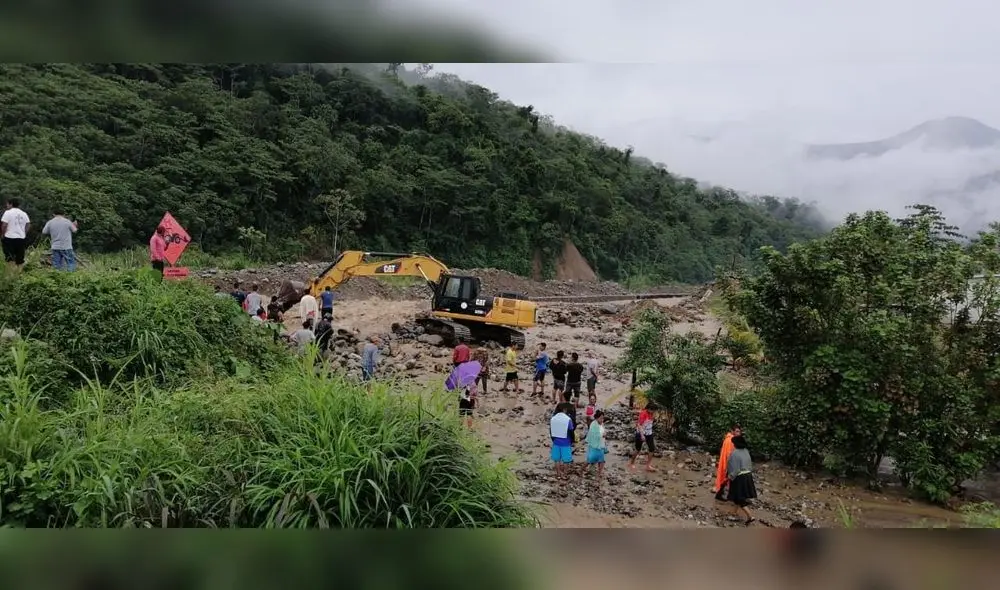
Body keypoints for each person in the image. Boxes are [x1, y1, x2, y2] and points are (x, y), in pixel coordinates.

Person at [726, 435, 758, 526]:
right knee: (738, 496)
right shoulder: (746, 451)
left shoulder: (734, 453)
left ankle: (750, 516)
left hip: (739, 477)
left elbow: (735, 469)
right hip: (748, 476)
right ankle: (733, 513)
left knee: (739, 498)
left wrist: (730, 477)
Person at [713, 424, 742, 500]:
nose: (739, 433)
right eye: (737, 431)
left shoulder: (728, 438)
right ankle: (723, 494)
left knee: (727, 479)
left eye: (739, 431)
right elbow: (729, 454)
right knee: (729, 479)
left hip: (727, 463)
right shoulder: (731, 440)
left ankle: (722, 494)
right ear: (732, 431)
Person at [628, 401, 657, 472]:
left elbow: (651, 422)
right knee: (638, 449)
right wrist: (642, 435)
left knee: (652, 449)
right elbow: (639, 425)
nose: (654, 412)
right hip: (641, 433)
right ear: (649, 409)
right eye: (653, 410)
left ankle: (648, 465)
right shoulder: (643, 414)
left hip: (649, 433)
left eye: (654, 411)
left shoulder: (652, 414)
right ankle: (631, 463)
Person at [1, 199, 30, 268]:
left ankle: (10, 275)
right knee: (20, 258)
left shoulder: (8, 212)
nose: (7, 206)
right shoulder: (24, 213)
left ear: (11, 204)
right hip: (21, 238)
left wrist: (2, 234)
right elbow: (28, 224)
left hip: (9, 237)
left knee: (10, 258)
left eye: (7, 204)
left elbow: (4, 225)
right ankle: (18, 275)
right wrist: (24, 233)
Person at [549, 403, 574, 479]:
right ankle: (565, 474)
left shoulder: (553, 418)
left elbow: (551, 431)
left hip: (556, 442)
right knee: (566, 460)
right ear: (564, 409)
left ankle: (558, 474)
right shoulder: (568, 419)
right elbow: (571, 431)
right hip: (566, 442)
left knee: (557, 460)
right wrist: (572, 440)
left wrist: (553, 440)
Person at [586, 410, 608, 481]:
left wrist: (604, 435)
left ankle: (599, 473)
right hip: (594, 445)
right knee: (589, 460)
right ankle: (581, 469)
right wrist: (603, 435)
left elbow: (603, 431)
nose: (602, 420)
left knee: (601, 460)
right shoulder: (593, 424)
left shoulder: (601, 424)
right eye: (601, 418)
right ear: (597, 418)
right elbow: (595, 434)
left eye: (603, 418)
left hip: (600, 445)